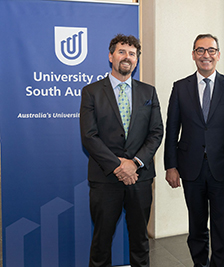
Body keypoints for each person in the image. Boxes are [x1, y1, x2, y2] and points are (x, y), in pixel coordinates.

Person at [164, 34, 224, 267]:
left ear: (218, 55)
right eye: (200, 50)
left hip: (223, 169)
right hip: (190, 168)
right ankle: (199, 264)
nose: (205, 55)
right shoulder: (180, 87)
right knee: (196, 224)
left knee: (220, 226)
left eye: (211, 50)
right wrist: (170, 166)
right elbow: (172, 129)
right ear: (193, 55)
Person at [80, 34, 163, 267]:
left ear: (137, 60)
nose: (127, 57)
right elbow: (89, 136)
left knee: (140, 241)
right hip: (105, 179)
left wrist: (134, 163)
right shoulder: (91, 92)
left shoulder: (149, 92)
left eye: (132, 54)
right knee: (101, 242)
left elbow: (156, 132)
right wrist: (119, 166)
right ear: (110, 56)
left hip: (141, 178)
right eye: (121, 52)